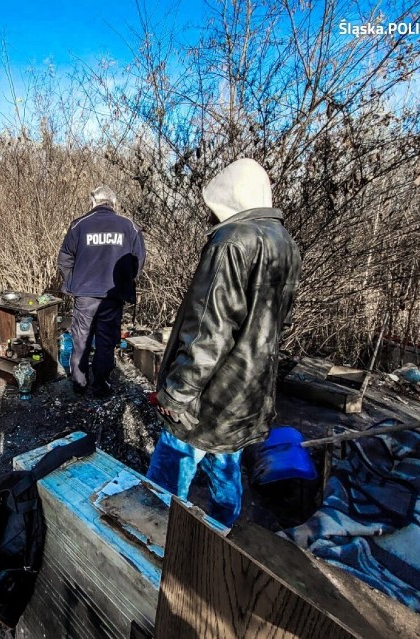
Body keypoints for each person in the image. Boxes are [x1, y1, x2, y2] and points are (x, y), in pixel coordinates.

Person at [146, 158, 301, 527]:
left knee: (161, 488)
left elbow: (208, 332)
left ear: (228, 197)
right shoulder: (286, 243)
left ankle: (153, 552)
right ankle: (221, 537)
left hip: (207, 399)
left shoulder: (231, 242)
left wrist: (176, 394)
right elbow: (278, 322)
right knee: (226, 471)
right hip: (248, 395)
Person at [57, 186, 146, 396]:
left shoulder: (79, 225)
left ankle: (79, 384)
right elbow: (138, 261)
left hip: (85, 293)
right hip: (113, 295)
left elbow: (64, 259)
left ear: (93, 201)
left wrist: (73, 283)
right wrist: (125, 282)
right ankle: (100, 386)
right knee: (106, 341)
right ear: (113, 203)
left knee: (81, 339)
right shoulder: (129, 226)